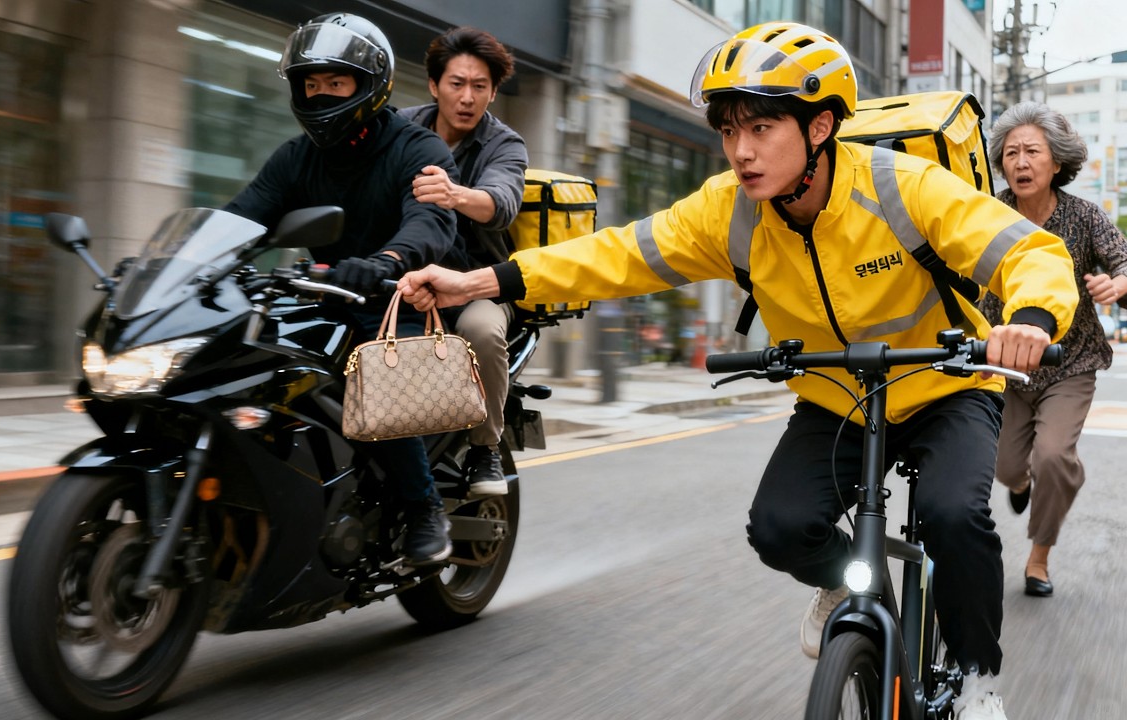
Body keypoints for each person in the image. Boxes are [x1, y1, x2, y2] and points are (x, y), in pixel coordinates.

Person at [397, 22, 1080, 719]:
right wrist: (481, 282)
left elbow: (1028, 252)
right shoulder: (729, 211)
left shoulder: (903, 188)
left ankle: (976, 681)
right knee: (779, 529)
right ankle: (845, 587)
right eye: (728, 131)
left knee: (953, 515)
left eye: (760, 127)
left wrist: (1029, 318)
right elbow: (613, 256)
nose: (741, 151)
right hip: (836, 394)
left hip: (946, 385)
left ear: (819, 126)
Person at [222, 12, 460, 565]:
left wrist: (387, 260)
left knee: (375, 372)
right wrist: (188, 258)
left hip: (397, 298)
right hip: (323, 295)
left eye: (336, 82)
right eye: (312, 83)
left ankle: (424, 509)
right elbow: (243, 217)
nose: (320, 93)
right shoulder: (294, 158)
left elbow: (429, 223)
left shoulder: (417, 149)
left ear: (368, 85)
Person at [977, 101, 1127, 598]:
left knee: (1054, 458)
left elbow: (1124, 263)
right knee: (1005, 468)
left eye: (1032, 152)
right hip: (1005, 363)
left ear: (1056, 162)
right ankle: (1021, 486)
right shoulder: (988, 214)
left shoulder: (1084, 216)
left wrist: (1117, 285)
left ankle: (1039, 556)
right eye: (1011, 153)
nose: (1020, 162)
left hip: (1071, 362)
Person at [397, 27, 528, 495]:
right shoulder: (400, 126)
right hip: (406, 276)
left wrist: (454, 195)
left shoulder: (504, 144)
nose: (467, 97)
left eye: (479, 87)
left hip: (479, 281)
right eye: (457, 84)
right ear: (434, 85)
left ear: (493, 91)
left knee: (481, 331)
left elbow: (502, 203)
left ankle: (484, 450)